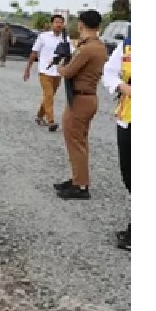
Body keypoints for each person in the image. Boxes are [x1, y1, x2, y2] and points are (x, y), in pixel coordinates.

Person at [54, 10, 109, 200]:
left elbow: (68, 71)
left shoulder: (87, 49)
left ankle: (80, 185)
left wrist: (60, 65)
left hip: (80, 99)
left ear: (81, 25)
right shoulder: (99, 46)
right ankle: (78, 178)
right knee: (80, 141)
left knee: (75, 142)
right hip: (88, 98)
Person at [101, 27, 131, 250]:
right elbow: (109, 72)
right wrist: (122, 86)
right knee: (129, 175)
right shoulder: (128, 45)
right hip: (128, 118)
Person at [23, 14, 72, 133]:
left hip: (58, 73)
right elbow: (34, 52)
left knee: (48, 97)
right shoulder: (43, 37)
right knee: (49, 95)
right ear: (52, 24)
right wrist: (28, 69)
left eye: (61, 22)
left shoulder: (66, 39)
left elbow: (70, 54)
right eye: (56, 22)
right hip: (44, 72)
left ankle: (39, 116)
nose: (58, 24)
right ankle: (51, 121)